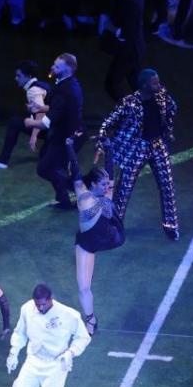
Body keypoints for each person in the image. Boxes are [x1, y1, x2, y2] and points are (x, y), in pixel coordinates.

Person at [96, 68, 179, 240]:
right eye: (154, 82)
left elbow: (172, 108)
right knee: (124, 188)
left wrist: (168, 130)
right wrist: (102, 140)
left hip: (158, 145)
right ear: (144, 85)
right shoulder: (129, 102)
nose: (159, 85)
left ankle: (171, 225)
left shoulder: (162, 96)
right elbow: (108, 121)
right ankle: (115, 225)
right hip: (137, 148)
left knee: (167, 185)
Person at [67, 137, 123, 336]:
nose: (107, 188)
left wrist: (109, 148)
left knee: (116, 226)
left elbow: (110, 175)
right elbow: (75, 174)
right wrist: (70, 147)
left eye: (107, 185)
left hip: (109, 237)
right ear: (92, 185)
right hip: (88, 244)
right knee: (83, 287)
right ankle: (91, 319)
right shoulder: (84, 197)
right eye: (102, 185)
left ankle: (90, 319)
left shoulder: (105, 193)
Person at [25, 53, 83, 211]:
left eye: (57, 66)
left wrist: (30, 122)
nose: (52, 67)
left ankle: (83, 190)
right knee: (52, 167)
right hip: (63, 135)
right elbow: (60, 109)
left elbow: (46, 123)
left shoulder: (65, 90)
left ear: (68, 70)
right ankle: (64, 199)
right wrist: (40, 108)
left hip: (65, 137)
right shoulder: (68, 84)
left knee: (45, 169)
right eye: (54, 64)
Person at [0, 60, 49, 170]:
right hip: (56, 127)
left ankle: (2, 161)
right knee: (45, 156)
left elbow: (41, 114)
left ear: (28, 76)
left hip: (52, 130)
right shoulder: (41, 85)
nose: (16, 78)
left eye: (19, 76)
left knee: (15, 122)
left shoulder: (33, 90)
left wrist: (34, 137)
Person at [103, 0, 144, 101]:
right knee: (135, 82)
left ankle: (130, 111)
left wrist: (111, 27)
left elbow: (128, 32)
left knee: (112, 85)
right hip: (132, 49)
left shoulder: (132, 2)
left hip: (129, 51)